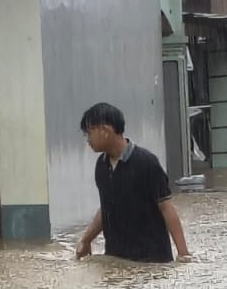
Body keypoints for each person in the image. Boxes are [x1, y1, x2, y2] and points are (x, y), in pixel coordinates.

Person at [76, 103, 190, 263]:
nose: (87, 139)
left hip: (152, 261)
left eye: (89, 132)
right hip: (116, 261)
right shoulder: (101, 166)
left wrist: (183, 254)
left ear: (105, 131)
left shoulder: (147, 162)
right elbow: (106, 207)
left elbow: (166, 208)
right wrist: (86, 239)